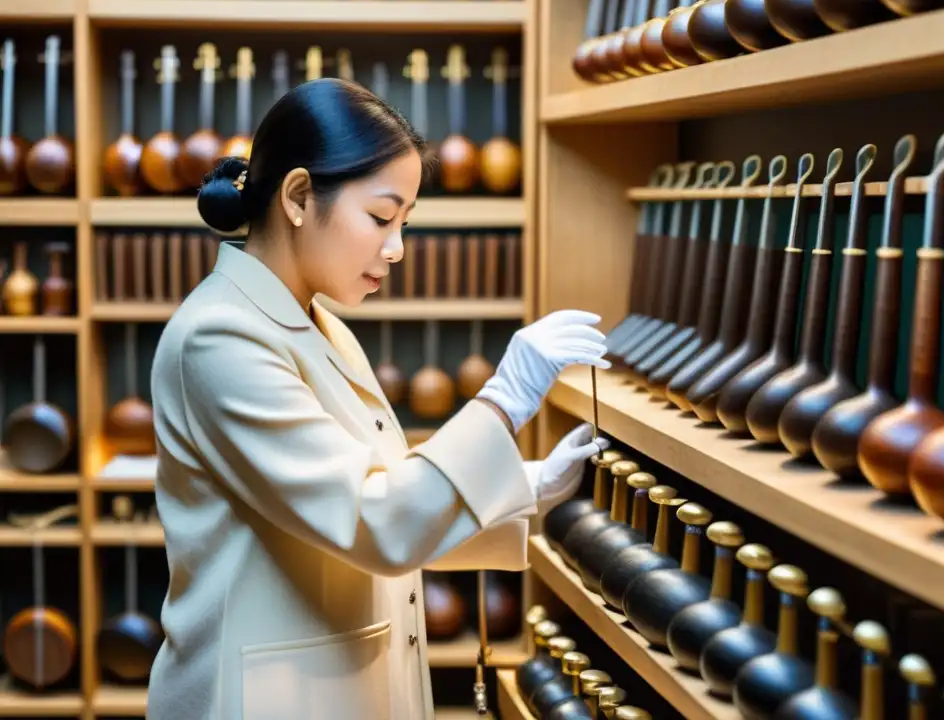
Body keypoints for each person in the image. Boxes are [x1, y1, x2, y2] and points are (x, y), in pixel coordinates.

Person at [146, 77, 609, 720]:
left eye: (405, 223)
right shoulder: (218, 339)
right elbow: (375, 521)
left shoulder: (319, 323)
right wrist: (505, 399)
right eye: (381, 217)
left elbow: (370, 502)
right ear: (300, 196)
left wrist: (529, 485)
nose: (396, 249)